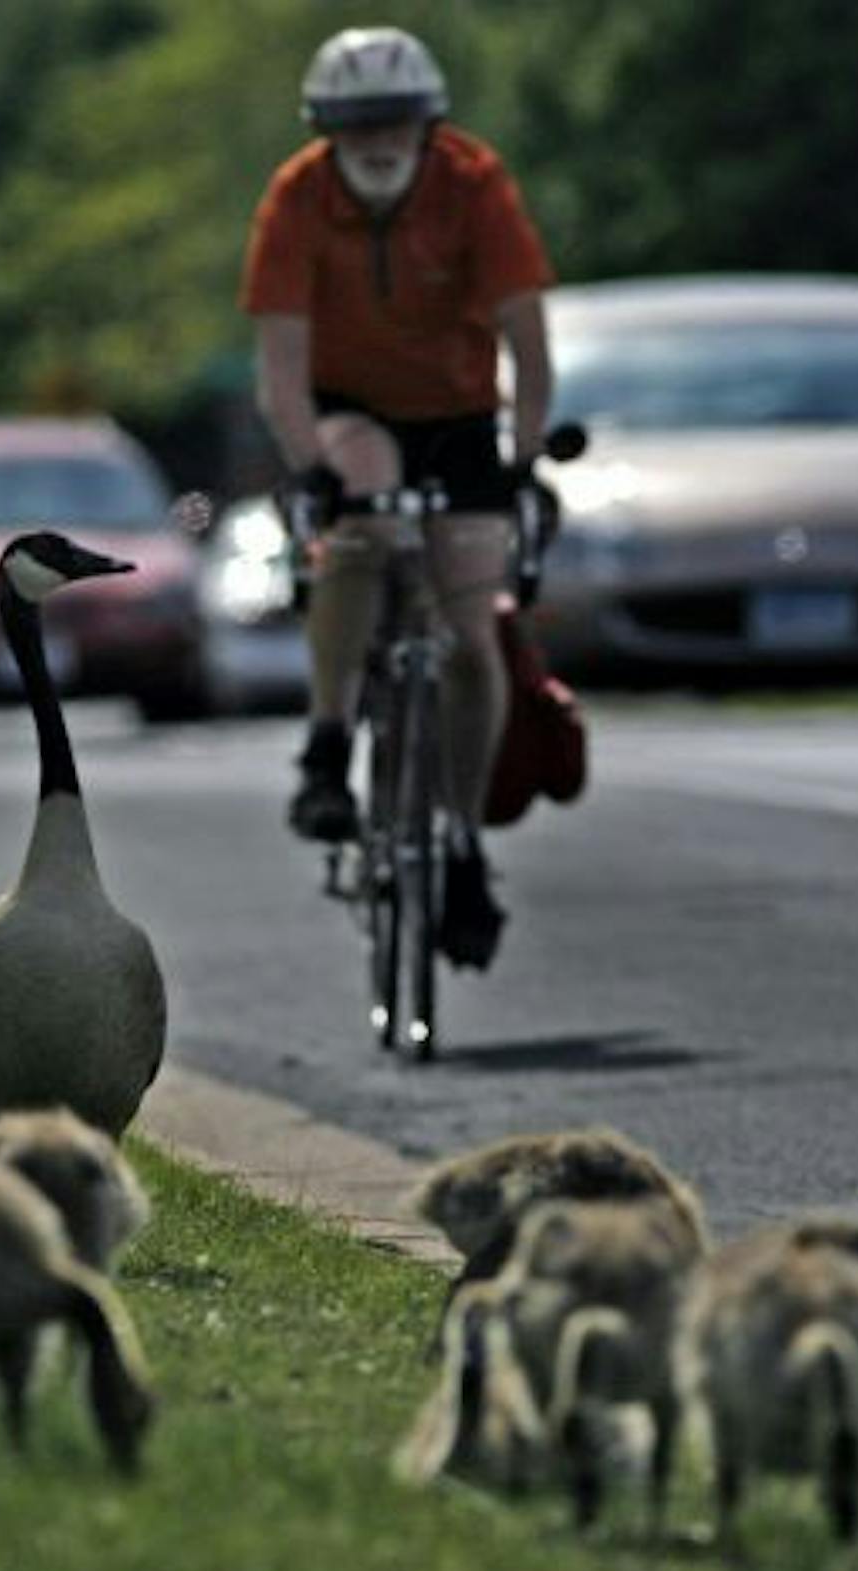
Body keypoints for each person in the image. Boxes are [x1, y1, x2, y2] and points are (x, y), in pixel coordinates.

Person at [239, 24, 555, 971]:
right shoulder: (298, 197)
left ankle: (459, 840)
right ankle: (329, 744)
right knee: (365, 517)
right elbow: (282, 369)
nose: (377, 142)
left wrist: (523, 457)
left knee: (470, 632)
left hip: (460, 413)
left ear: (428, 125)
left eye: (396, 122)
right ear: (327, 131)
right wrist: (311, 464)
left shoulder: (474, 185)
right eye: (354, 124)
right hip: (351, 408)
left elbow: (529, 345)